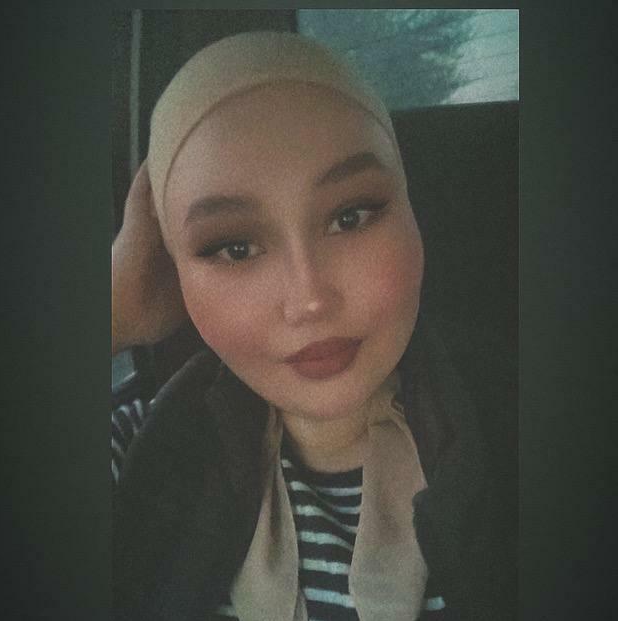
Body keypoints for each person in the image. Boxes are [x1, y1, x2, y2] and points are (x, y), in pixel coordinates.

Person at [112, 31, 514, 621]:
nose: (309, 300)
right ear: (174, 273)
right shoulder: (141, 446)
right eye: (234, 248)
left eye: (351, 216)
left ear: (412, 214)